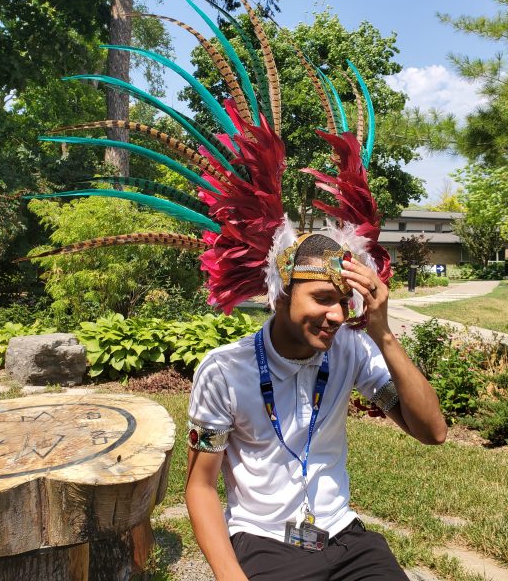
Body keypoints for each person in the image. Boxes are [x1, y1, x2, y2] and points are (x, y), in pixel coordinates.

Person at [186, 232, 447, 581]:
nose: (338, 315)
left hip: (344, 536)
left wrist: (382, 332)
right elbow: (200, 486)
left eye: (343, 301)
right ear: (280, 296)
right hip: (263, 539)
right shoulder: (225, 371)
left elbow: (433, 431)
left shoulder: (351, 350)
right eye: (322, 299)